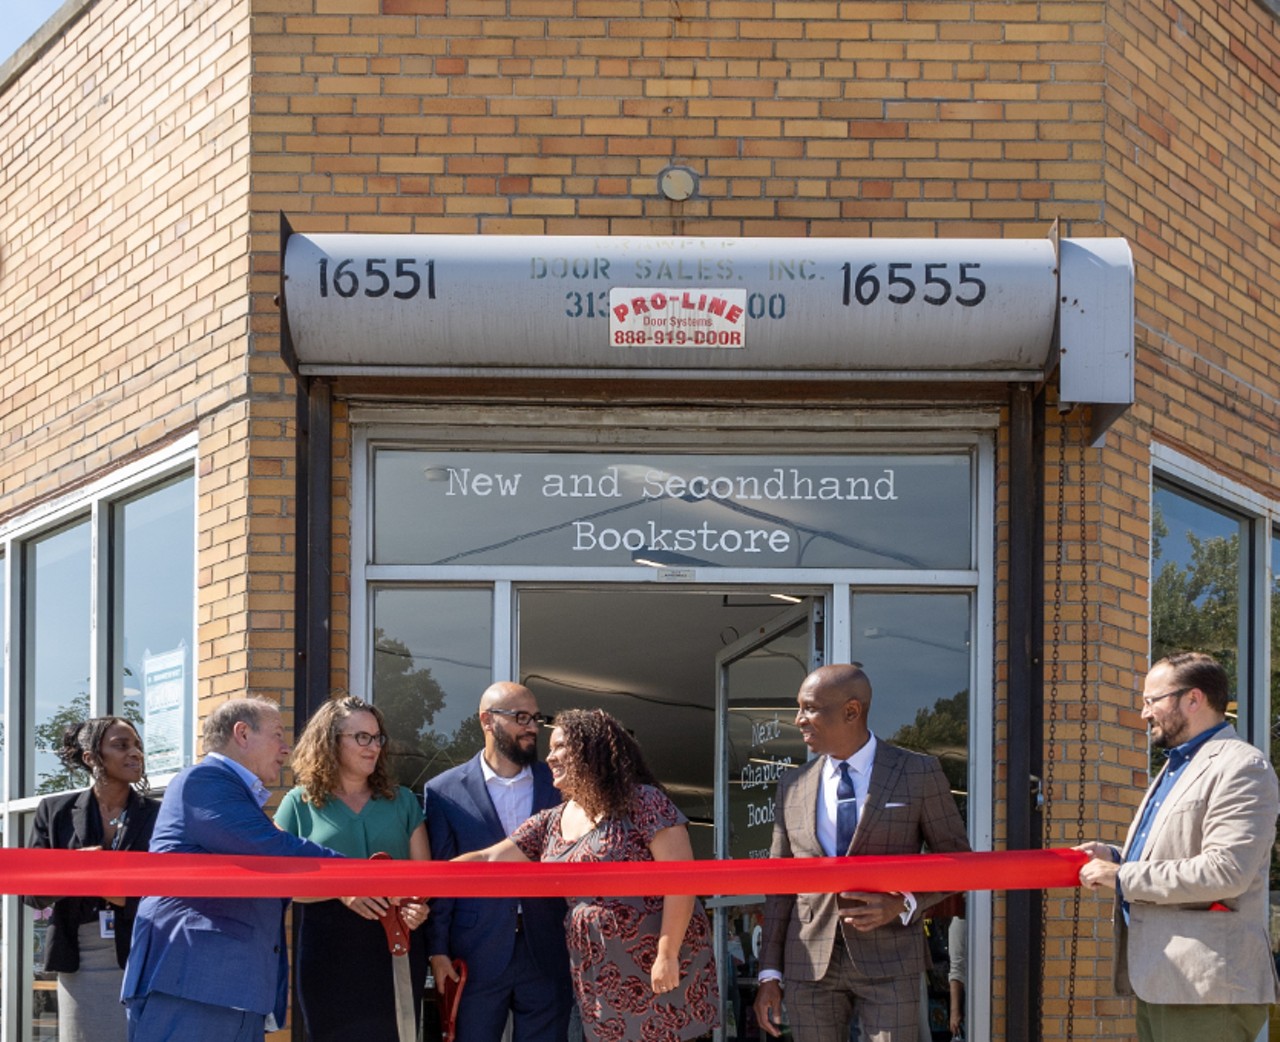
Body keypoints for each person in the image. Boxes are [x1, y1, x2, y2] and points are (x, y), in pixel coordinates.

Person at [458, 707, 721, 1042]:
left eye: (559, 747)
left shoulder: (642, 802)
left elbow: (681, 881)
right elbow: (490, 857)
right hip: (599, 975)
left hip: (659, 964)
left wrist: (667, 956)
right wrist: (422, 882)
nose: (549, 757)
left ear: (590, 749)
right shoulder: (551, 821)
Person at [753, 663, 971, 1042]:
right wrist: (769, 974)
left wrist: (901, 903)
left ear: (851, 711)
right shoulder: (792, 785)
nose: (799, 719)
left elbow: (959, 865)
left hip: (890, 960)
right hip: (808, 963)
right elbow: (779, 886)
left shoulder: (916, 773)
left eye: (809, 708)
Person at [1076, 651, 1280, 1042]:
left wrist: (1122, 875)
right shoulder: (1177, 766)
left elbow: (1226, 870)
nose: (1144, 713)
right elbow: (1177, 855)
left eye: (1152, 700)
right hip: (1165, 980)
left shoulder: (1242, 766)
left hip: (1206, 989)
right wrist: (1117, 857)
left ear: (1193, 699)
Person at [121, 697, 344, 1042]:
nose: (286, 750)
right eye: (278, 735)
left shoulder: (232, 794)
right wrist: (358, 874)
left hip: (227, 990)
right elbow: (271, 851)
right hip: (197, 984)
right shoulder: (206, 781)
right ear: (242, 733)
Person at [423, 681, 574, 1042]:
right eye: (521, 717)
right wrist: (438, 950)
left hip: (547, 949)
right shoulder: (444, 791)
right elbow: (443, 878)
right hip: (475, 953)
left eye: (536, 718)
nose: (533, 728)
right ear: (487, 721)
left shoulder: (559, 786)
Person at [275, 695, 430, 1041]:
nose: (373, 746)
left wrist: (418, 906)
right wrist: (342, 892)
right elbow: (276, 881)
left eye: (377, 738)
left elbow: (425, 878)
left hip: (396, 945)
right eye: (362, 737)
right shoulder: (298, 803)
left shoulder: (403, 800)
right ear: (330, 741)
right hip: (328, 948)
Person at [25, 717, 161, 1042]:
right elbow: (32, 892)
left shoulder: (160, 814)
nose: (135, 754)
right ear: (91, 757)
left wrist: (121, 894)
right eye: (121, 745)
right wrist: (76, 868)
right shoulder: (55, 811)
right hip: (81, 958)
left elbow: (173, 888)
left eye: (138, 745)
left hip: (146, 952)